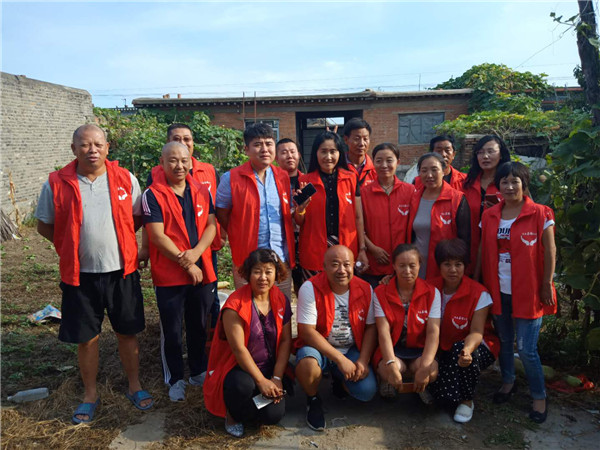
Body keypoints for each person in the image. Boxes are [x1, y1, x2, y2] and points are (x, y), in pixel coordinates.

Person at [35, 124, 152, 424]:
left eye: (98, 144)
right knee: (87, 338)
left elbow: (138, 218)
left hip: (121, 272)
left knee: (127, 331)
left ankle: (134, 386)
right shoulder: (57, 183)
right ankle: (89, 394)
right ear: (73, 149)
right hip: (80, 276)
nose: (92, 150)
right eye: (85, 145)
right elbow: (45, 225)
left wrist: (124, 246)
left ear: (107, 147)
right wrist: (68, 244)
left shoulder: (126, 179)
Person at [478, 161, 556, 424]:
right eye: (504, 182)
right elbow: (481, 251)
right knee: (504, 339)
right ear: (497, 185)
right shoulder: (490, 215)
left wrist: (547, 283)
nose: (509, 186)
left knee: (526, 349)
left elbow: (551, 251)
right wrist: (478, 281)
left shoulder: (540, 213)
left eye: (515, 181)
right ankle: (508, 382)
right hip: (499, 290)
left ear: (524, 184)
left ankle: (539, 396)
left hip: (530, 290)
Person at [142, 142, 217, 401]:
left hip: (201, 270)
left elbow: (211, 226)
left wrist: (195, 256)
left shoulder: (201, 190)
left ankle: (197, 371)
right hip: (170, 274)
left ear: (191, 162)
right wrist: (187, 263)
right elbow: (157, 236)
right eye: (173, 160)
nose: (179, 165)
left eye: (184, 160)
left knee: (198, 324)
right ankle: (174, 378)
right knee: (172, 331)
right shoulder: (152, 194)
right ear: (162, 163)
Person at [140, 123, 224, 330]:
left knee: (204, 310)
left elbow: (213, 219)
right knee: (173, 327)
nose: (179, 165)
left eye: (187, 139)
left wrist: (200, 251)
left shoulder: (207, 175)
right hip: (172, 258)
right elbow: (154, 229)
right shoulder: (154, 186)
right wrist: (145, 248)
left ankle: (208, 350)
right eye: (176, 139)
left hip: (204, 251)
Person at [203, 249, 292, 437]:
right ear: (248, 274)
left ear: (276, 274)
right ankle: (232, 414)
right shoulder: (234, 305)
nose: (263, 277)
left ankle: (251, 405)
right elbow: (238, 349)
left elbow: (285, 340)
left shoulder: (280, 298)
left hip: (269, 366)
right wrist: (261, 381)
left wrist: (276, 377)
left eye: (268, 271)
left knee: (274, 415)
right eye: (257, 271)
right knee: (242, 386)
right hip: (238, 369)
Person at [295, 245, 377, 431]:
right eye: (335, 264)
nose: (341, 270)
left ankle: (340, 381)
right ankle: (313, 398)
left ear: (353, 266)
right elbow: (306, 331)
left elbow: (371, 328)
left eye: (346, 264)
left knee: (366, 392)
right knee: (308, 365)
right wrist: (339, 359)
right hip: (320, 348)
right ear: (324, 266)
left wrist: (363, 360)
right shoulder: (310, 288)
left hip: (351, 348)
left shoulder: (365, 288)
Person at [216, 123, 295, 299]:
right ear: (246, 149)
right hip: (247, 259)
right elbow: (221, 212)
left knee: (282, 311)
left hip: (280, 258)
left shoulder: (282, 176)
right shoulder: (231, 178)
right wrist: (239, 232)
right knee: (249, 311)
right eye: (258, 144)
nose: (264, 149)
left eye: (268, 143)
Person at [427, 239, 499, 423]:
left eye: (458, 264)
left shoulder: (479, 293)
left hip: (474, 345)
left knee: (464, 353)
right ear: (439, 266)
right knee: (443, 398)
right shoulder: (429, 287)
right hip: (442, 346)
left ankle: (467, 401)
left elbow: (476, 332)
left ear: (465, 266)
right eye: (447, 264)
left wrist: (467, 350)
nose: (453, 270)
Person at [294, 132, 369, 282]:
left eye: (332, 151)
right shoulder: (305, 181)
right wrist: (300, 209)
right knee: (316, 296)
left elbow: (358, 217)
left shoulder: (351, 178)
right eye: (323, 151)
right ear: (316, 153)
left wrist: (362, 249)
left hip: (346, 248)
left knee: (344, 297)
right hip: (314, 250)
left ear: (340, 153)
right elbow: (299, 222)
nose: (328, 157)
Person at [372, 244, 440, 403]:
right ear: (394, 266)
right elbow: (383, 332)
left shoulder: (432, 292)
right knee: (389, 369)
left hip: (419, 349)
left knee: (431, 371)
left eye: (412, 265)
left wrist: (425, 365)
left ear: (419, 265)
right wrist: (390, 363)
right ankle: (389, 380)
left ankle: (420, 384)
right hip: (393, 350)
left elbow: (433, 333)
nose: (407, 271)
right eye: (402, 266)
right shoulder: (380, 292)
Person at [407, 153, 470, 280]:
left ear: (443, 171)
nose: (429, 175)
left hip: (445, 268)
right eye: (424, 170)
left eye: (434, 170)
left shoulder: (457, 199)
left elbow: (465, 239)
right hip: (415, 267)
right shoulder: (413, 198)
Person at [361, 143, 415, 287]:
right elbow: (357, 225)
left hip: (403, 266)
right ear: (373, 163)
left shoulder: (410, 191)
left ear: (398, 162)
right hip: (373, 264)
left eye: (389, 160)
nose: (384, 165)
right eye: (379, 161)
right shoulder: (363, 193)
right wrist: (372, 248)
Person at [462, 135, 511, 272]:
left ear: (501, 154)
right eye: (481, 152)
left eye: (491, 151)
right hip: (470, 249)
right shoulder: (466, 184)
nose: (485, 156)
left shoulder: (510, 184)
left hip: (502, 251)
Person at [276, 138, 303, 294]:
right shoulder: (272, 182)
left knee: (303, 288)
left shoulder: (308, 181)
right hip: (281, 241)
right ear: (276, 157)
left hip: (303, 241)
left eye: (292, 152)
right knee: (279, 291)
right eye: (284, 152)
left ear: (298, 154)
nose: (289, 156)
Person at [342, 118, 376, 187]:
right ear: (346, 140)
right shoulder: (338, 167)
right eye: (356, 139)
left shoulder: (376, 170)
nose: (362, 143)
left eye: (365, 139)